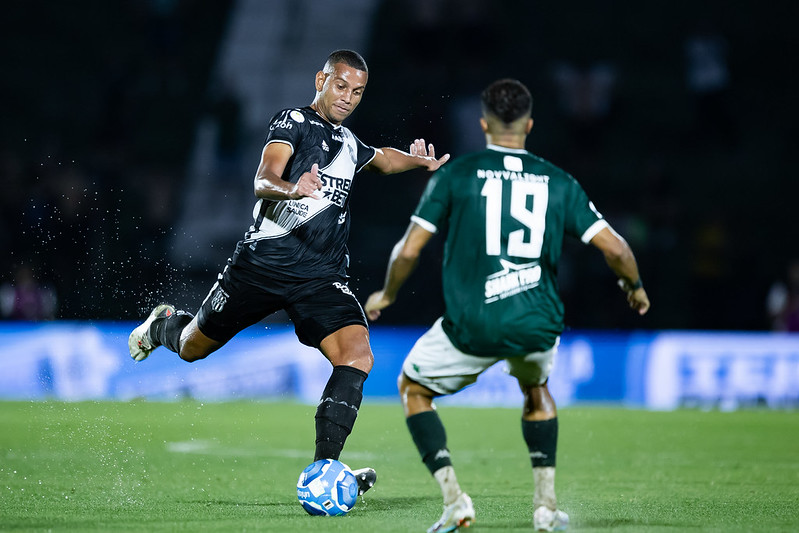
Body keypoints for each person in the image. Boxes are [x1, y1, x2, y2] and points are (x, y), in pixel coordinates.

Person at [128, 50, 449, 496]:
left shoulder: (351, 144)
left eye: (357, 92)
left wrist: (419, 161)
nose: (348, 98)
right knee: (191, 348)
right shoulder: (292, 122)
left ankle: (325, 472)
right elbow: (263, 178)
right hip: (261, 267)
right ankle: (162, 325)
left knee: (356, 355)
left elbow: (384, 159)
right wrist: (291, 187)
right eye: (341, 86)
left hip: (320, 278)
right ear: (322, 79)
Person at [365, 79, 650, 532]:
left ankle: (454, 499)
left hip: (471, 324)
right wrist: (633, 287)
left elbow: (409, 250)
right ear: (529, 124)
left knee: (413, 388)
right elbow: (616, 249)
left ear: (483, 125)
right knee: (536, 393)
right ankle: (545, 507)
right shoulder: (559, 181)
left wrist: (388, 294)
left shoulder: (457, 174)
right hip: (536, 322)